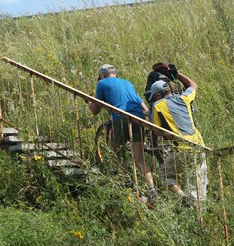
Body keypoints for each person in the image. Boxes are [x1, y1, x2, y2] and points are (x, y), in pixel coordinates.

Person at [86, 64, 156, 198]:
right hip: (138, 118)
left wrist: (89, 101)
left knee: (117, 152)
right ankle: (151, 189)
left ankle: (127, 182)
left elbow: (95, 110)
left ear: (102, 75)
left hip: (121, 118)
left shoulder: (102, 83)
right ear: (115, 73)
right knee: (140, 158)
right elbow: (144, 108)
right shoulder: (128, 83)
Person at [148, 72, 208, 205]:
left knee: (165, 174)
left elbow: (157, 131)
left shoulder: (157, 105)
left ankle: (184, 199)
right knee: (198, 182)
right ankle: (200, 212)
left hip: (183, 149)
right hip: (200, 146)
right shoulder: (183, 98)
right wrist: (176, 74)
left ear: (158, 95)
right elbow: (193, 85)